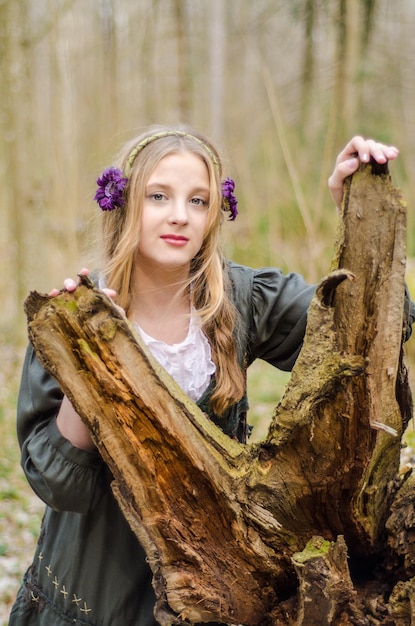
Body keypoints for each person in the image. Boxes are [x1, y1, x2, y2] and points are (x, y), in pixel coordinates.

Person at [9, 127, 407, 626]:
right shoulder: (73, 314)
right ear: (123, 202)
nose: (180, 215)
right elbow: (60, 485)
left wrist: (354, 212)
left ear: (214, 213)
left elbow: (378, 324)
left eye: (198, 200)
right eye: (159, 196)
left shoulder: (244, 300)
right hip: (95, 596)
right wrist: (90, 363)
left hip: (212, 596)